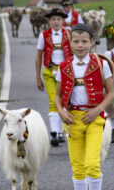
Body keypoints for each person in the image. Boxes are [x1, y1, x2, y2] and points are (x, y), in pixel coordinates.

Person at [55, 23, 114, 190]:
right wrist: (61, 112)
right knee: (77, 166)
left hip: (95, 119)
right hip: (73, 119)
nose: (80, 45)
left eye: (84, 41)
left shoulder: (101, 64)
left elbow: (111, 93)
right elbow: (58, 95)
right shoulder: (64, 66)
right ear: (70, 43)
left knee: (92, 164)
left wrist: (97, 110)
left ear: (92, 42)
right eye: (76, 42)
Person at [35, 8, 72, 147]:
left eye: (58, 19)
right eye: (53, 19)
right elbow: (39, 56)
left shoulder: (69, 33)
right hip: (50, 71)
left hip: (66, 71)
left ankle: (63, 131)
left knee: (65, 100)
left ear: (63, 21)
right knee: (53, 100)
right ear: (49, 21)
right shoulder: (43, 35)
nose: (56, 22)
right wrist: (38, 77)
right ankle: (54, 133)